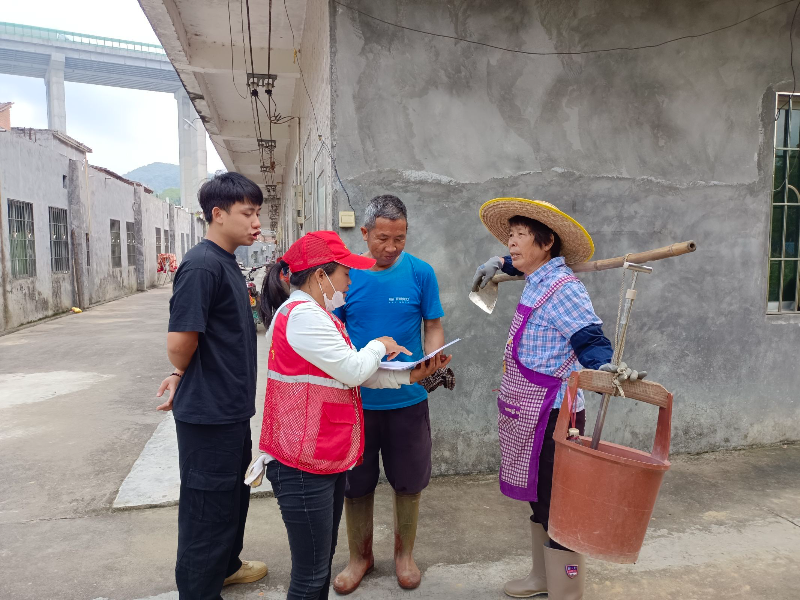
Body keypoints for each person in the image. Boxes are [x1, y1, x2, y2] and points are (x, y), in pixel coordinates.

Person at [251, 230, 451, 600]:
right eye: (345, 273)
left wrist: (410, 375)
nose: (349, 281)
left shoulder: (318, 315)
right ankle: (361, 557)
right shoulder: (302, 317)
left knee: (318, 567)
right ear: (320, 276)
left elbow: (351, 372)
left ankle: (398, 556)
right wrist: (380, 345)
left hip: (318, 452)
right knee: (310, 577)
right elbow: (354, 369)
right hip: (302, 461)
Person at [472, 198, 645, 600]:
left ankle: (567, 590)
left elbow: (589, 338)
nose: (511, 243)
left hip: (554, 415)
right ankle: (543, 578)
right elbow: (518, 264)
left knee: (558, 506)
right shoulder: (536, 277)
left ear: (547, 242)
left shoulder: (564, 289)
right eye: (510, 236)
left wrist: (604, 364)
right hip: (526, 411)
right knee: (539, 499)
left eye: (520, 236)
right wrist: (499, 264)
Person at [155, 172, 268, 599]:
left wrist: (182, 374)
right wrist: (181, 370)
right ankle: (199, 590)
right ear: (218, 214)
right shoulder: (202, 265)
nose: (256, 222)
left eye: (257, 213)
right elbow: (179, 344)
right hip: (209, 415)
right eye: (247, 213)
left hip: (229, 409)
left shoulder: (226, 261)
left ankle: (226, 567)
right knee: (207, 508)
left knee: (231, 498)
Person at [332, 195, 447, 594]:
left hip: (407, 401)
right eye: (383, 238)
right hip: (355, 402)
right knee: (355, 483)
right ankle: (359, 556)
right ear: (365, 233)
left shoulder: (421, 273)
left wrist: (433, 359)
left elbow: (433, 324)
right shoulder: (346, 274)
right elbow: (334, 330)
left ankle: (404, 555)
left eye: (400, 238)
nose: (392, 247)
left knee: (409, 480)